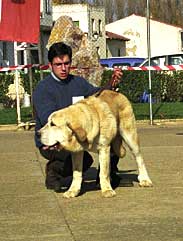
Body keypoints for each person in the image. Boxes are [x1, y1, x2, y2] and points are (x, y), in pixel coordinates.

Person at [33, 42, 123, 192]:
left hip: (78, 134)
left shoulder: (78, 82)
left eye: (66, 63)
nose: (63, 68)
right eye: (58, 64)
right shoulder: (43, 89)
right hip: (53, 139)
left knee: (112, 138)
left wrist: (111, 83)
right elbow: (47, 118)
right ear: (50, 65)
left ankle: (107, 176)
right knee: (84, 159)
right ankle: (54, 173)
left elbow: (97, 95)